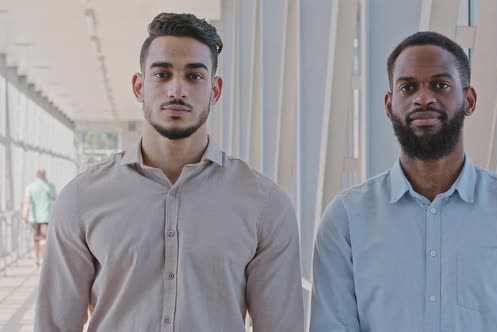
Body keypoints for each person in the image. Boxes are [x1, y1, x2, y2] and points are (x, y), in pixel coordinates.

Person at [35, 13, 304, 331]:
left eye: (194, 76)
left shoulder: (265, 206)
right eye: (162, 74)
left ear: (215, 90)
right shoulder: (81, 200)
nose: (177, 90)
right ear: (139, 86)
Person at [310, 31, 497, 331]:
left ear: (469, 100)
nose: (423, 98)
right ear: (389, 105)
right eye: (408, 87)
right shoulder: (346, 220)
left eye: (440, 85)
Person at [21, 169, 56, 267]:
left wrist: (24, 216)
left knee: (36, 238)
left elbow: (27, 202)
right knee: (44, 239)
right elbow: (55, 200)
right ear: (45, 175)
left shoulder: (30, 187)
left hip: (34, 218)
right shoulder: (50, 186)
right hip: (46, 216)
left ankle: (36, 260)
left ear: (36, 175)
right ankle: (43, 259)